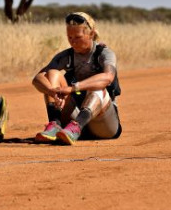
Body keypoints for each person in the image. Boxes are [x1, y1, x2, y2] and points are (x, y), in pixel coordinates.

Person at [31, 12, 122, 145]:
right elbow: (37, 78)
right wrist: (52, 91)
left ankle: (77, 126)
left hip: (104, 126)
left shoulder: (104, 53)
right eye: (70, 37)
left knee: (97, 87)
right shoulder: (66, 56)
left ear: (91, 34)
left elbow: (108, 78)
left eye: (78, 37)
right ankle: (55, 125)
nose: (73, 41)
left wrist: (73, 88)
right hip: (71, 124)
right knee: (52, 74)